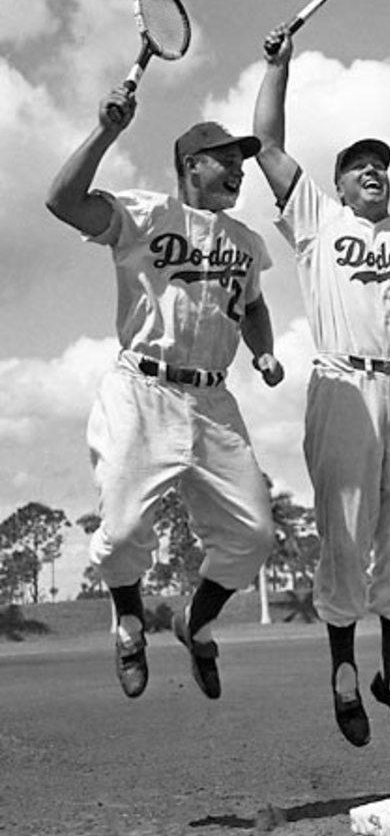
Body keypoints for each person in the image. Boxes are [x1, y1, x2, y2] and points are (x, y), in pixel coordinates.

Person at [253, 26, 390, 748]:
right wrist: (278, 67)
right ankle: (345, 673)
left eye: (381, 164)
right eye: (359, 166)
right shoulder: (318, 219)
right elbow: (264, 143)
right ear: (340, 182)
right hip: (343, 382)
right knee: (345, 532)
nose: (373, 172)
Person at [45, 87, 284, 702]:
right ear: (190, 166)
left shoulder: (246, 241)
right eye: (224, 157)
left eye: (240, 159)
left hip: (213, 400)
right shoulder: (146, 215)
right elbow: (62, 201)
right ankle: (128, 622)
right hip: (143, 387)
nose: (237, 168)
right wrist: (104, 133)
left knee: (254, 536)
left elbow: (253, 307)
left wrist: (263, 349)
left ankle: (195, 621)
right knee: (122, 534)